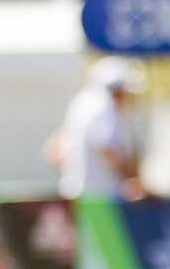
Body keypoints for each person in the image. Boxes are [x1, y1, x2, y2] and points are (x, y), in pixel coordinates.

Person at [49, 57, 146, 201]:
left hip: (77, 195)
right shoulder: (104, 107)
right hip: (103, 199)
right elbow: (108, 150)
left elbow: (55, 151)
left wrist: (75, 175)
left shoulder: (80, 104)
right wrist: (131, 180)